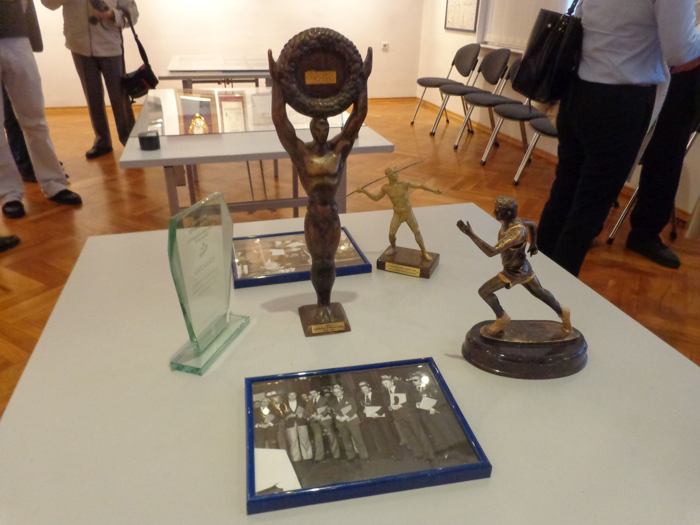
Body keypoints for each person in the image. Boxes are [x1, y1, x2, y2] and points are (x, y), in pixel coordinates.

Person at [536, 0, 700, 276]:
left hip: (578, 92)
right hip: (619, 103)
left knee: (562, 196)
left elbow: (581, 18)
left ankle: (531, 279)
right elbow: (681, 52)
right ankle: (552, 294)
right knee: (586, 213)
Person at [268, 47, 372, 324]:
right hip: (314, 216)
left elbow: (358, 117)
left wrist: (362, 81)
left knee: (330, 261)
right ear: (311, 128)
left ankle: (326, 304)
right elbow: (280, 120)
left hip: (332, 215)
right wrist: (277, 83)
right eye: (317, 126)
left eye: (325, 126)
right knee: (319, 261)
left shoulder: (340, 150)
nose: (322, 130)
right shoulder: (302, 153)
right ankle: (320, 305)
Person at [1, 0, 82, 219]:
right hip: (16, 33)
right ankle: (9, 194)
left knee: (35, 118)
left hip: (16, 33)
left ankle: (54, 183)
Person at [457, 196, 571, 336]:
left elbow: (491, 252)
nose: (494, 212)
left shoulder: (516, 233)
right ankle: (563, 312)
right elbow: (532, 224)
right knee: (540, 293)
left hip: (513, 272)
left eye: (498, 210)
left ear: (508, 213)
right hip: (523, 267)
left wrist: (471, 235)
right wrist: (534, 244)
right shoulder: (514, 222)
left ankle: (502, 318)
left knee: (484, 291)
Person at [41, 0, 138, 159]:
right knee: (92, 96)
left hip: (110, 45)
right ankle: (102, 141)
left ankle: (130, 140)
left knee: (119, 96)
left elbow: (132, 13)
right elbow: (48, 4)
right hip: (79, 45)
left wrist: (112, 15)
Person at [626, 65, 700, 268]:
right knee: (618, 143)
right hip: (648, 67)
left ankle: (645, 233)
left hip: (684, 81)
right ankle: (588, 222)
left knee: (667, 157)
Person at [356, 166, 441, 261]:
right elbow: (376, 198)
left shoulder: (404, 184)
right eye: (394, 173)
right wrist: (364, 191)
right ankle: (393, 248)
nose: (397, 174)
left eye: (397, 172)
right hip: (397, 214)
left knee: (417, 232)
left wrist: (434, 190)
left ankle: (424, 251)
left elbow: (420, 185)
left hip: (408, 213)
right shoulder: (386, 188)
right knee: (391, 234)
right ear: (388, 176)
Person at [380, 374, 434, 461]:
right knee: (409, 436)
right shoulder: (385, 393)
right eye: (383, 384)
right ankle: (419, 454)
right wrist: (391, 407)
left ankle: (429, 454)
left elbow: (412, 399)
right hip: (398, 417)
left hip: (410, 414)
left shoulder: (403, 387)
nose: (385, 386)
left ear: (391, 381)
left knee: (419, 434)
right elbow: (387, 406)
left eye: (386, 383)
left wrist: (401, 404)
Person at [357, 380, 396, 458]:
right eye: (362, 390)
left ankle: (396, 453)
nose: (364, 391)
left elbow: (384, 405)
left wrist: (377, 413)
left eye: (365, 389)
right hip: (371, 420)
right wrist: (363, 410)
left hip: (381, 418)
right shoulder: (361, 398)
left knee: (388, 435)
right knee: (378, 437)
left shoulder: (378, 394)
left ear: (369, 388)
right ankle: (386, 454)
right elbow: (359, 408)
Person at [331, 384, 369, 461]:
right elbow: (333, 412)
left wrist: (345, 417)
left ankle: (364, 456)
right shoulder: (333, 402)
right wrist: (338, 417)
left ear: (342, 391)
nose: (337, 393)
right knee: (346, 440)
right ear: (334, 393)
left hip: (351, 421)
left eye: (338, 391)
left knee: (358, 438)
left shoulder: (349, 398)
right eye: (335, 392)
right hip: (341, 423)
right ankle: (351, 456)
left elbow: (354, 408)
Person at [306, 388, 340, 462]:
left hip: (325, 420)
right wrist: (311, 416)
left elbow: (330, 408)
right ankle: (319, 457)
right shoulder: (309, 402)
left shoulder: (325, 399)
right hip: (315, 422)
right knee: (317, 438)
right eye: (311, 394)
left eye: (314, 393)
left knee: (331, 436)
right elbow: (307, 412)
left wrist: (321, 415)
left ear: (318, 392)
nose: (312, 395)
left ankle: (336, 455)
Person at [283, 392, 313, 462]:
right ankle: (296, 458)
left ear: (296, 395)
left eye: (293, 395)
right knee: (293, 441)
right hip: (290, 424)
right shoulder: (283, 405)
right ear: (288, 396)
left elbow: (308, 411)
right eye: (290, 395)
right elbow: (281, 415)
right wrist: (288, 416)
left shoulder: (302, 402)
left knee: (305, 439)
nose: (292, 396)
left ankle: (308, 456)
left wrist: (303, 415)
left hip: (301, 422)